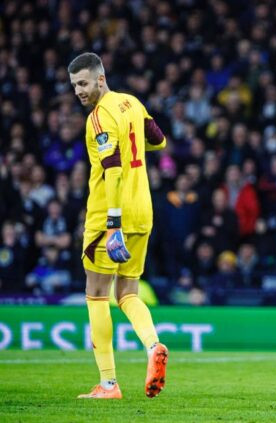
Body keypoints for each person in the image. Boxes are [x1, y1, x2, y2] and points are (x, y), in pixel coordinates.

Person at [68, 52, 168, 400]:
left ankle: (108, 383)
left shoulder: (98, 118)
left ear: (100, 78)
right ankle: (153, 344)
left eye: (82, 83)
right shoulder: (132, 102)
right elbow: (159, 140)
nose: (78, 91)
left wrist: (112, 223)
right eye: (74, 85)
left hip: (109, 217)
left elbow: (111, 169)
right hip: (143, 212)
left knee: (96, 295)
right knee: (127, 293)